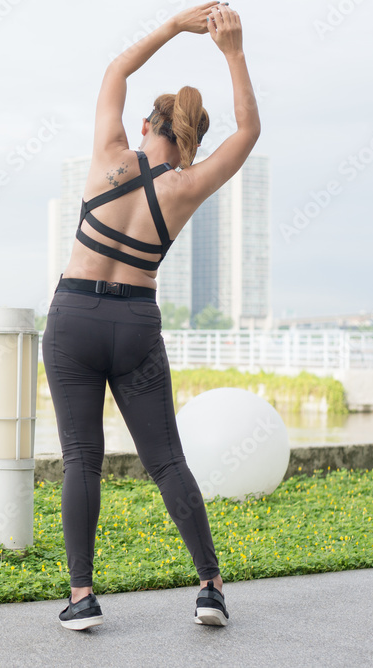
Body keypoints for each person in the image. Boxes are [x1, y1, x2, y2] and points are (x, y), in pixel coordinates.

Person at [43, 1, 260, 630]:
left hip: (74, 317)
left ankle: (82, 597)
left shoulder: (110, 154)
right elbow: (247, 131)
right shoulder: (186, 187)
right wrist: (234, 51)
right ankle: (210, 588)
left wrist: (172, 27)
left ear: (145, 124)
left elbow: (116, 69)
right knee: (166, 460)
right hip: (135, 323)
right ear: (189, 137)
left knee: (82, 458)